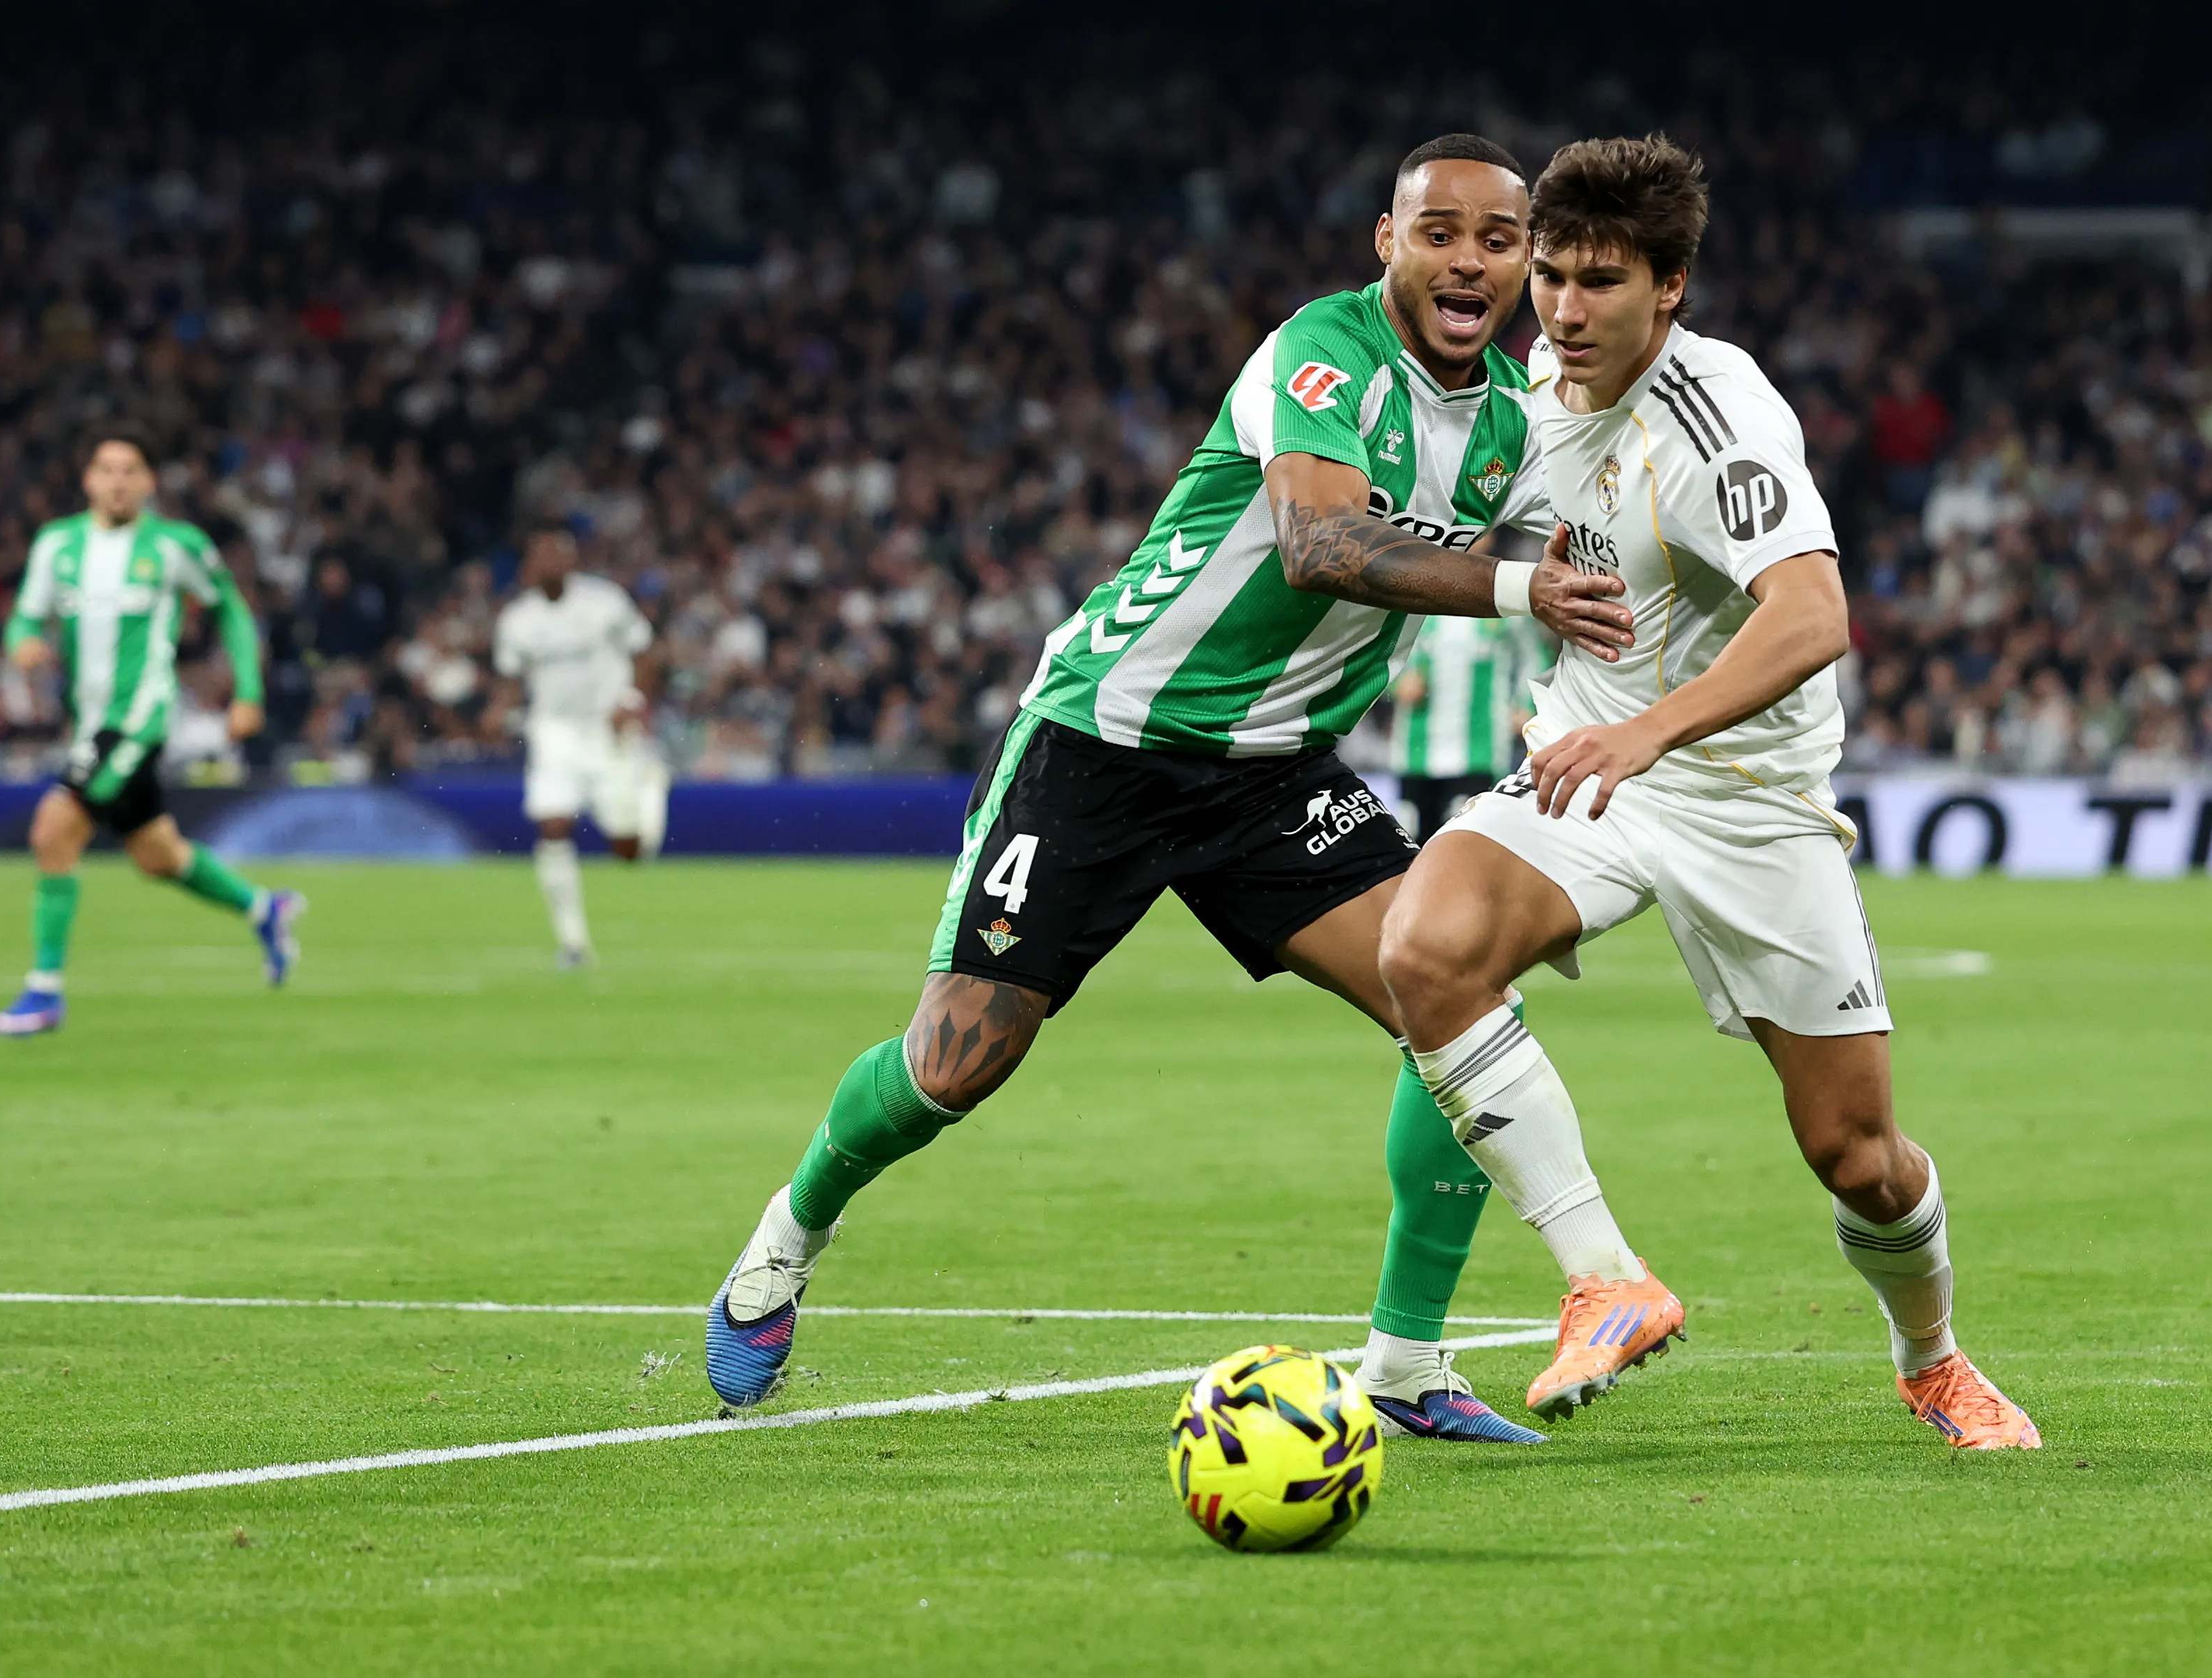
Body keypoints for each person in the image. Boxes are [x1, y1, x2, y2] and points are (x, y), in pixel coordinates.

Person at [700, 135, 1636, 1443]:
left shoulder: (1508, 427)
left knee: (1454, 997)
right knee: (955, 1063)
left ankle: (1405, 1367)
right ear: (1389, 244)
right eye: (1440, 233)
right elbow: (1318, 545)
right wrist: (1513, 586)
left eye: (1498, 239)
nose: (1468, 259)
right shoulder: (1318, 356)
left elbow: (1570, 551)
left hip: (1273, 777)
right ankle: (783, 1241)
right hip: (1106, 741)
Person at [1372, 135, 2041, 1448]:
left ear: (1669, 286)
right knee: (1427, 945)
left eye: (1599, 282)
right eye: (1550, 275)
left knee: (1858, 1156)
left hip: (1746, 800)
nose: (1561, 310)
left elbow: (1812, 614)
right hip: (1589, 759)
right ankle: (1605, 1279)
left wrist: (1651, 737)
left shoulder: (1714, 412)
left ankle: (1933, 1358)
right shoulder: (1539, 388)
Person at [0, 432, 303, 1038]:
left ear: (150, 482)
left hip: (142, 715)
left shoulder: (174, 545)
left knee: (54, 827)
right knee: (157, 856)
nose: (117, 481)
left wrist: (248, 693)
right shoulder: (58, 546)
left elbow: (232, 609)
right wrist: (22, 642)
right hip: (90, 720)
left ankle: (45, 991)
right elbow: (27, 614)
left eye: (130, 470)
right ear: (87, 480)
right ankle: (265, 909)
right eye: (106, 470)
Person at [491, 526, 668, 966]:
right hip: (554, 733)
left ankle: (650, 788)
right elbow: (512, 679)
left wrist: (631, 701)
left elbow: (646, 654)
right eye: (538, 556)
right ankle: (573, 944)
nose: (546, 564)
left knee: (628, 852)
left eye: (555, 555)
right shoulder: (518, 620)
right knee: (553, 826)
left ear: (571, 562)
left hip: (607, 732)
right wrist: (498, 711)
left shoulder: (604, 603)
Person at [1387, 613, 1544, 839]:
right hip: (1416, 752)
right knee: (1412, 846)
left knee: (1466, 842)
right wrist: (1397, 683)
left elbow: (1535, 655)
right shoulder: (1416, 604)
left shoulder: (1503, 608)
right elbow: (1380, 653)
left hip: (1479, 751)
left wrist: (1525, 705)